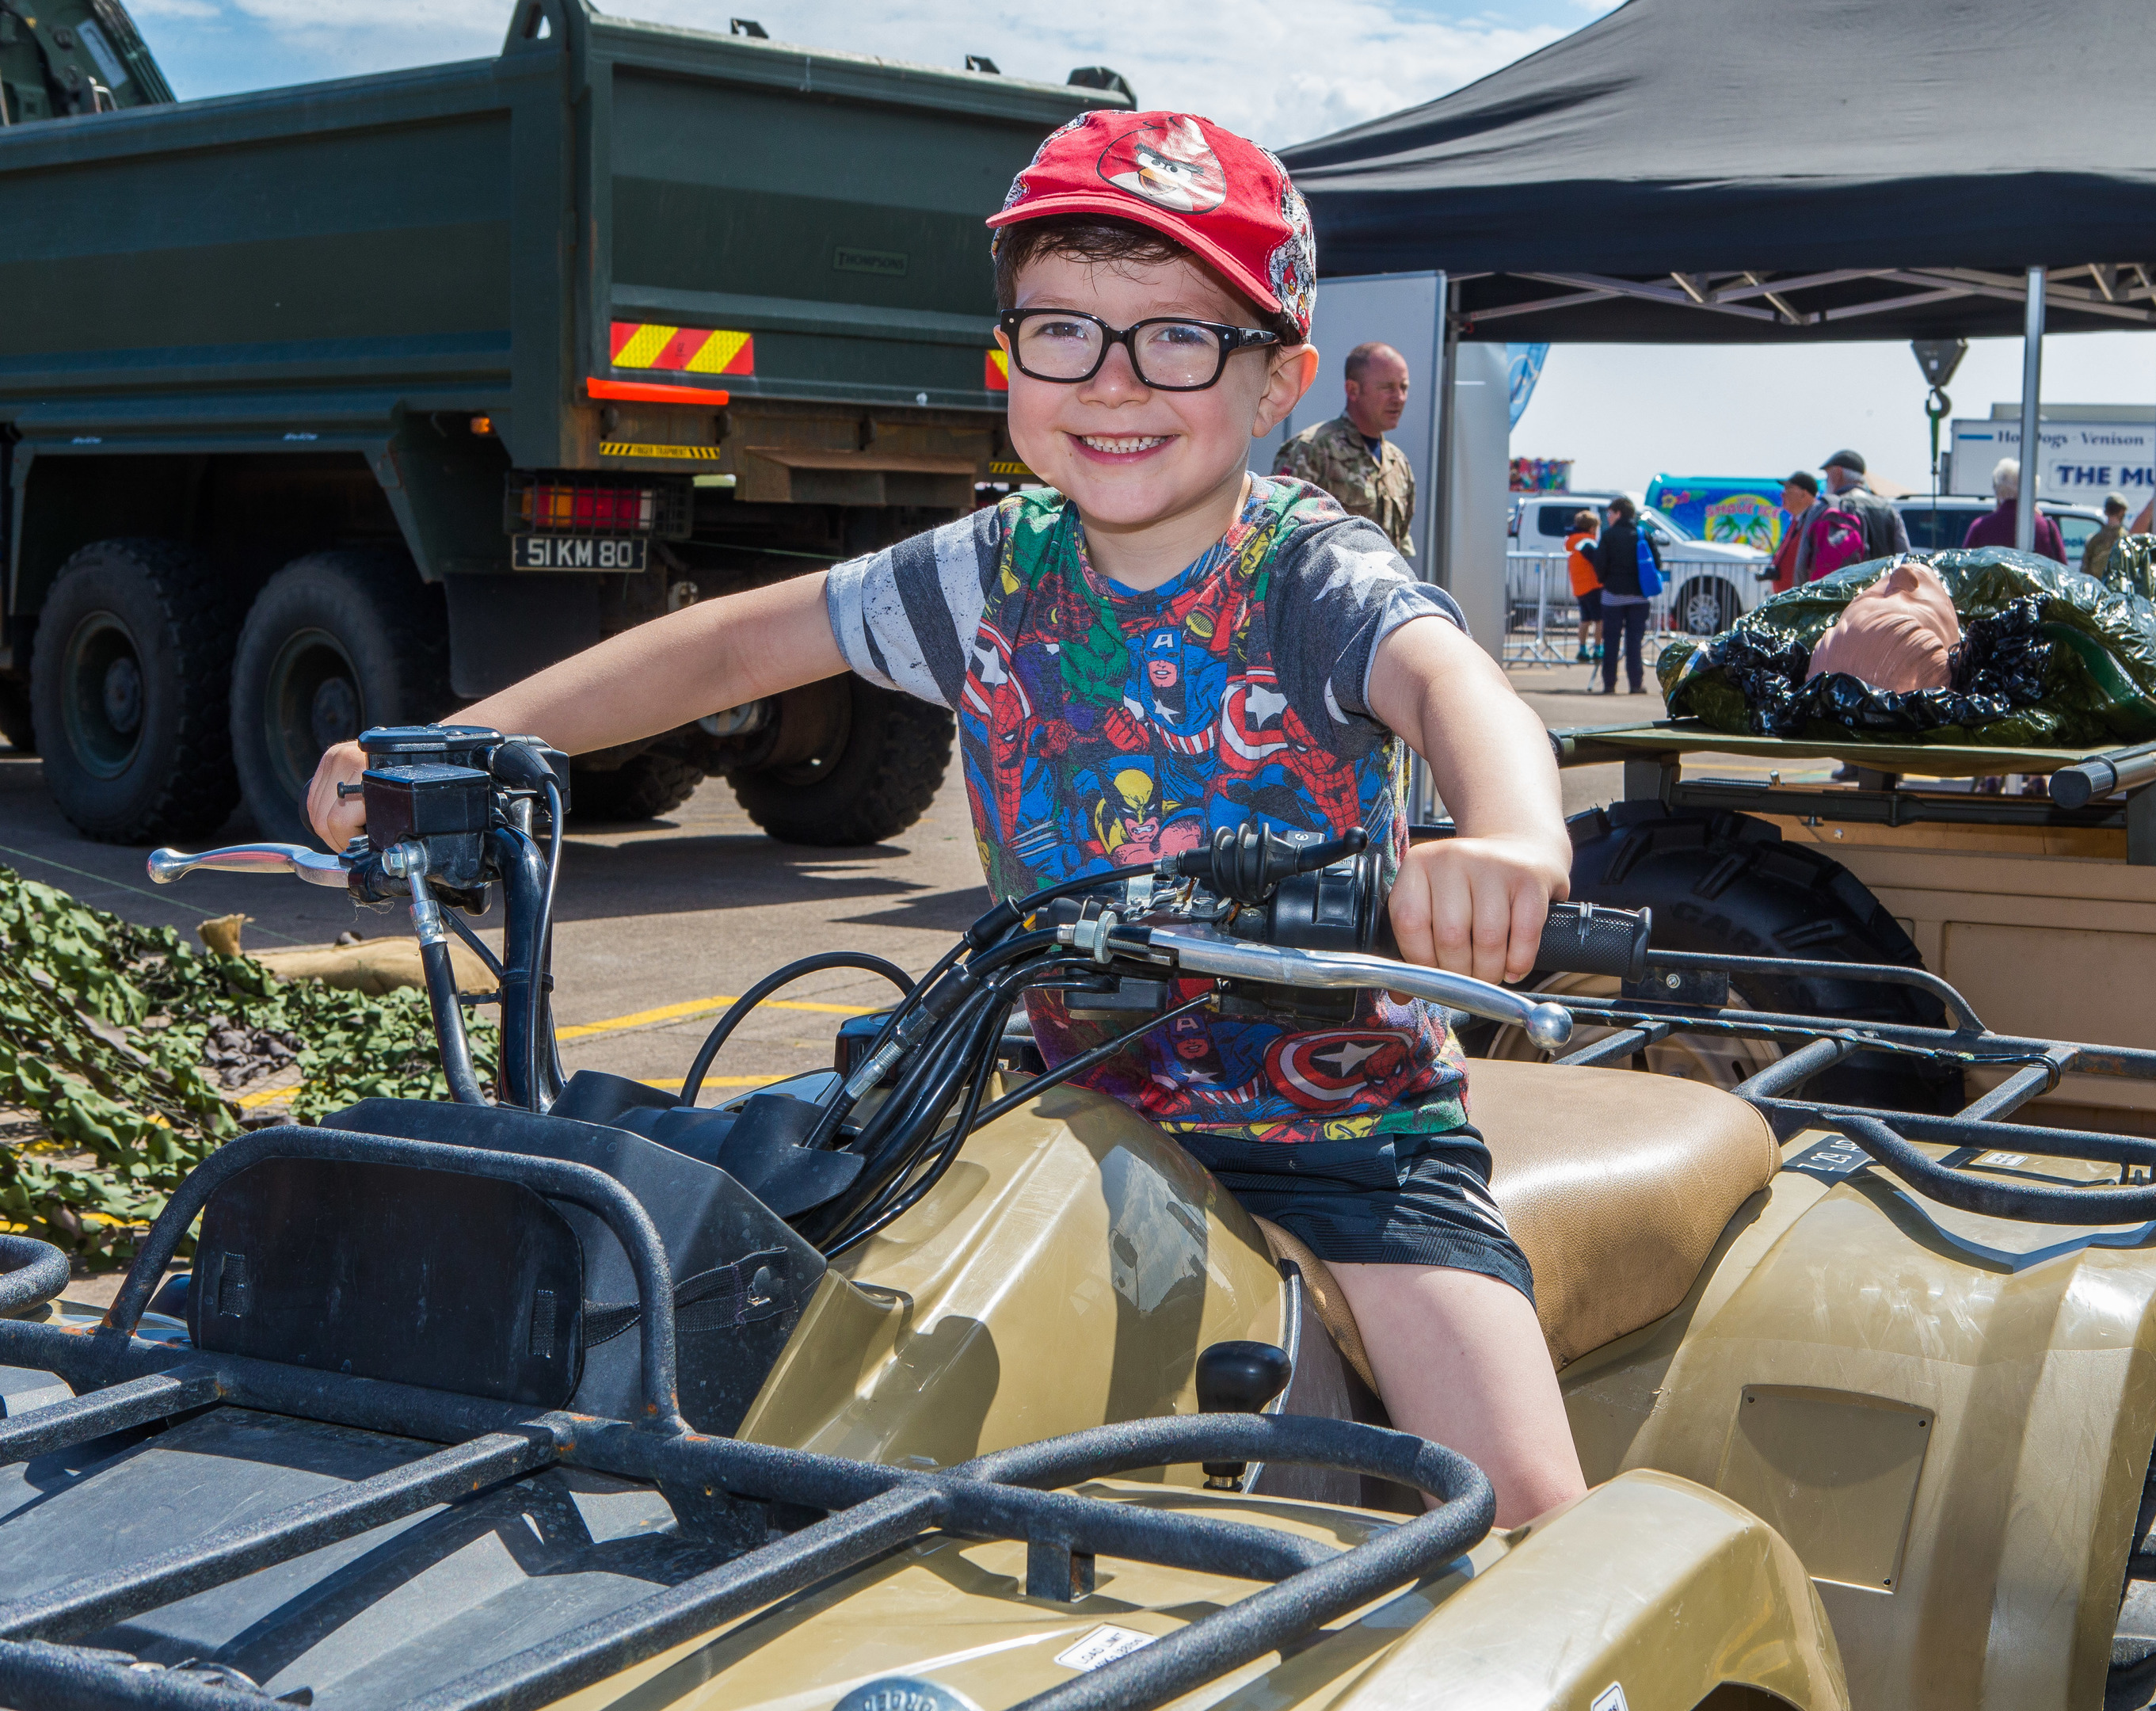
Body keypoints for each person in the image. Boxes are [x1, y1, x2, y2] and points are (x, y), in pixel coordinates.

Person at [304, 109, 1587, 1529]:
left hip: (1341, 1135)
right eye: (1064, 331)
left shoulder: (1305, 573)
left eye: (1177, 337)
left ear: (1279, 377)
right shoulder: (989, 570)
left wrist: (1512, 840)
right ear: (1009, 360)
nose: (1114, 381)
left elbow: (1459, 687)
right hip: (1055, 1098)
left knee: (1518, 1506)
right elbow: (730, 650)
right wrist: (464, 745)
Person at [1271, 340, 1415, 554]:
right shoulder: (1311, 450)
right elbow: (1279, 537)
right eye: (1387, 388)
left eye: (1403, 387)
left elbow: (1401, 545)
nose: (1399, 398)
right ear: (1353, 390)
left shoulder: (1398, 464)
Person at [1590, 495, 1652, 694]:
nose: (1607, 517)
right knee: (1634, 642)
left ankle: (1609, 684)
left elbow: (1599, 564)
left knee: (1611, 641)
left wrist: (1606, 580)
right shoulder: (1643, 534)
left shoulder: (1608, 536)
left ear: (1618, 513)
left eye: (1609, 513)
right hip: (1639, 597)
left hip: (1612, 596)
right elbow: (1656, 563)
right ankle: (1636, 683)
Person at [1962, 458, 2065, 562]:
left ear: (1998, 491)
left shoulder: (1980, 527)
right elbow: (2062, 569)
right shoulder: (2046, 528)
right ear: (2032, 489)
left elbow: (1965, 568)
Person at [1816, 449, 1910, 559]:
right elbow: (1905, 556)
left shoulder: (1831, 507)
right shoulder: (1888, 509)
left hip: (1847, 576)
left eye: (1828, 476)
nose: (1827, 481)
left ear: (1838, 473)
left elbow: (1805, 562)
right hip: (1885, 575)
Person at [1769, 471, 1820, 592]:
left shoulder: (1815, 521)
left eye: (1789, 489)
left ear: (1804, 494)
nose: (1782, 494)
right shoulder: (1797, 520)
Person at [1564, 507, 1602, 660]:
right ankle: (1598, 649)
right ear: (1592, 528)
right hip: (1592, 585)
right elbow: (1598, 562)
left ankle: (1582, 649)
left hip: (1579, 587)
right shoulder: (1588, 542)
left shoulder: (1571, 541)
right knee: (1600, 620)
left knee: (1585, 619)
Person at [2080, 493, 2128, 578]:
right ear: (2122, 512)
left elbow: (2085, 570)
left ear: (2106, 512)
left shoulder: (2094, 539)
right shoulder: (2127, 540)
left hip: (2098, 587)